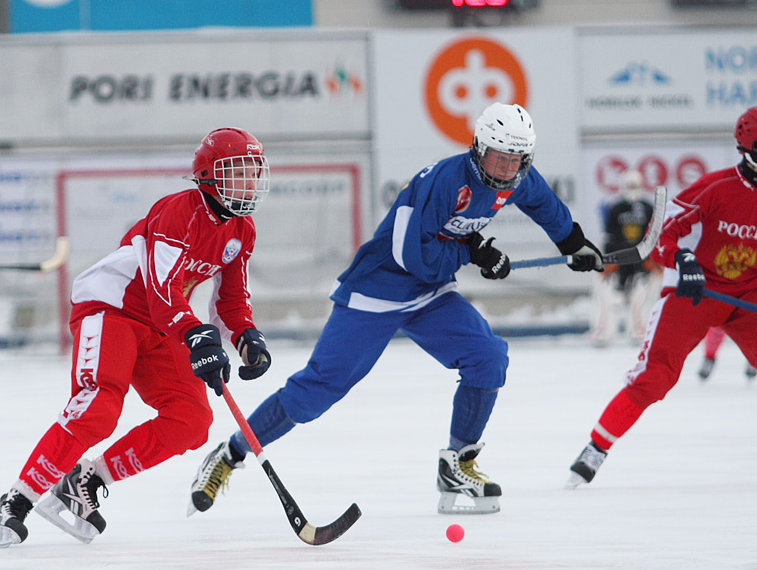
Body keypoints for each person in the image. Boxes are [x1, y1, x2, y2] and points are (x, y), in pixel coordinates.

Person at [188, 103, 603, 516]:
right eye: (496, 157)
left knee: (488, 357)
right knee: (314, 393)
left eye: (514, 162)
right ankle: (230, 453)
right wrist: (473, 253)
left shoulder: (515, 179)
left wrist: (573, 243)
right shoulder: (443, 182)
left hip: (429, 296)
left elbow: (543, 202)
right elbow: (411, 257)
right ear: (478, 148)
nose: (503, 170)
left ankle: (458, 463)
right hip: (377, 292)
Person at [0, 127, 274, 547]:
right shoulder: (178, 211)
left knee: (191, 419)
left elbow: (231, 300)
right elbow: (162, 288)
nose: (250, 183)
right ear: (208, 176)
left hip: (160, 323)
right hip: (111, 308)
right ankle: (14, 502)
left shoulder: (243, 230)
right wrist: (196, 337)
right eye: (238, 172)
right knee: (99, 405)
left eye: (253, 171)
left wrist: (245, 337)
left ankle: (86, 481)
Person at [568, 106, 757, 487]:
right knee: (655, 376)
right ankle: (596, 446)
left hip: (749, 293)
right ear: (744, 151)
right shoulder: (714, 188)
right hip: (698, 290)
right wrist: (683, 258)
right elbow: (659, 236)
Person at [589, 170, 661, 346]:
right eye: (629, 186)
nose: (632, 189)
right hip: (618, 260)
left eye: (635, 186)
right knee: (603, 292)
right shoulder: (615, 208)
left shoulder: (648, 207)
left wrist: (653, 259)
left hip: (641, 261)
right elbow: (609, 236)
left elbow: (655, 236)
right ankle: (603, 331)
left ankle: (639, 329)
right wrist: (606, 261)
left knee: (642, 295)